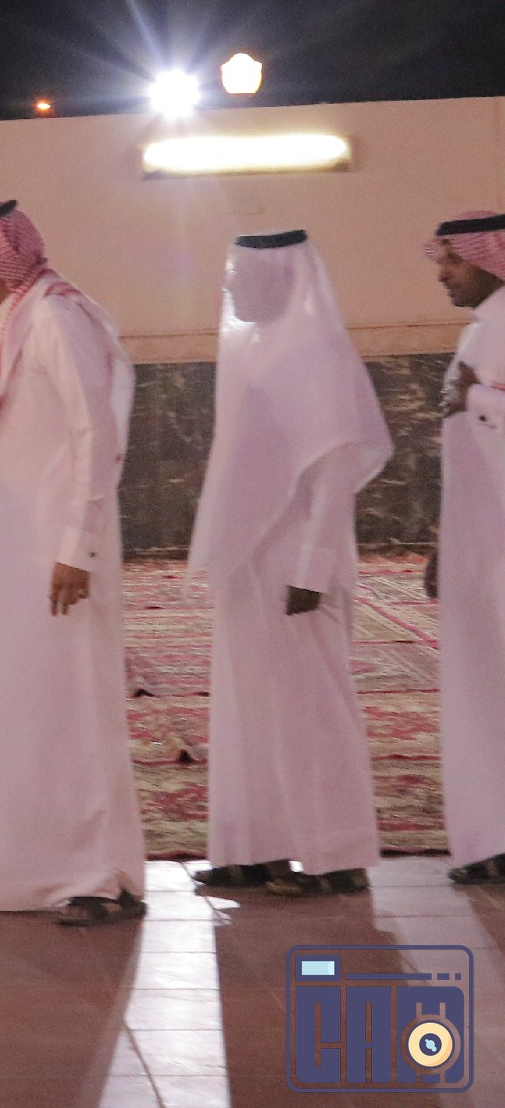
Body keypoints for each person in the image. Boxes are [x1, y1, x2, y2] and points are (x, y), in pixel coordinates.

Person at [0, 200, 146, 925]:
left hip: (60, 549)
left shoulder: (55, 317)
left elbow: (96, 433)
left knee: (72, 700)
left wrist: (78, 546)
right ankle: (5, 865)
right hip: (22, 543)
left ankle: (94, 875)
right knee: (21, 697)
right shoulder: (22, 316)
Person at [189, 231, 390, 896]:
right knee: (248, 701)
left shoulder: (316, 349)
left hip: (298, 552)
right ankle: (254, 848)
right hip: (250, 550)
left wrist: (314, 567)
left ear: (279, 276)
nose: (230, 285)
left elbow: (336, 468)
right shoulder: (251, 346)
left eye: (241, 274)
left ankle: (338, 856)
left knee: (310, 705)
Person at [423, 211, 505, 886]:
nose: (444, 274)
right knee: (483, 686)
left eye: (454, 259)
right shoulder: (483, 327)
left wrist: (474, 395)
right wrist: (443, 543)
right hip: (479, 537)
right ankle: (493, 836)